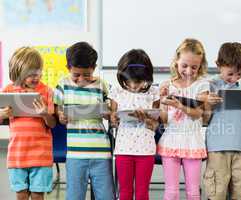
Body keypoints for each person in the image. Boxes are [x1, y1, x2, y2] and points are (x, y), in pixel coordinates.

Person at [202, 42, 241, 200]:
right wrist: (208, 103)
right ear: (218, 65)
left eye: (239, 74)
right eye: (230, 74)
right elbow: (204, 119)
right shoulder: (209, 86)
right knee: (217, 192)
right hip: (218, 147)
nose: (234, 78)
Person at [53, 42, 114, 200]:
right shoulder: (63, 85)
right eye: (76, 75)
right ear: (68, 68)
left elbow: (111, 111)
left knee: (106, 195)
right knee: (74, 195)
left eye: (86, 75)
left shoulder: (103, 85)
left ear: (93, 67)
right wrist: (61, 116)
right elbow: (57, 110)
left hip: (101, 151)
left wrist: (108, 113)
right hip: (75, 153)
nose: (81, 79)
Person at [0, 47, 56, 200]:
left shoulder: (46, 91)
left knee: (38, 196)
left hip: (41, 154)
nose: (36, 77)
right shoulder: (8, 90)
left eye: (38, 72)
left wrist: (44, 113)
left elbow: (52, 124)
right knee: (21, 195)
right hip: (17, 154)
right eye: (31, 74)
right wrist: (2, 114)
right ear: (18, 71)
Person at [157, 38, 209, 200]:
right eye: (184, 66)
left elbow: (198, 114)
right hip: (171, 139)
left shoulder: (202, 85)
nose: (188, 70)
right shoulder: (167, 84)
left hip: (192, 139)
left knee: (193, 191)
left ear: (200, 65)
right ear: (176, 62)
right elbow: (164, 119)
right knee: (171, 191)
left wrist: (179, 105)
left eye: (194, 67)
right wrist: (162, 100)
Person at [108, 49, 160, 200]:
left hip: (146, 150)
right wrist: (114, 119)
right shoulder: (117, 91)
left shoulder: (154, 92)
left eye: (138, 82)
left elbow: (155, 126)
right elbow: (113, 121)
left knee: (142, 193)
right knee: (124, 192)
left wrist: (147, 119)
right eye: (128, 81)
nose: (133, 86)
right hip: (123, 149)